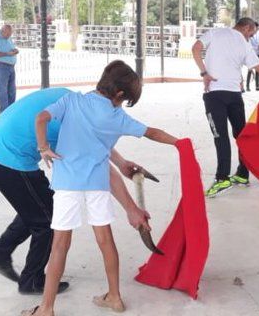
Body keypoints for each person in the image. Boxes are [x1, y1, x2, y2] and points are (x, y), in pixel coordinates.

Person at [25, 61, 179, 316]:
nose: (123, 104)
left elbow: (41, 118)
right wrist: (180, 143)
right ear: (119, 94)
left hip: (67, 183)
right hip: (97, 183)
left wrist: (44, 149)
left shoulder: (72, 101)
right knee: (105, 241)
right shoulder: (117, 116)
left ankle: (46, 308)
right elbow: (151, 132)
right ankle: (115, 298)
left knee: (60, 245)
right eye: (126, 99)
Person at [0, 86, 151, 297]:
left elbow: (94, 143)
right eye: (119, 104)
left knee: (38, 206)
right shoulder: (73, 120)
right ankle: (31, 280)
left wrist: (122, 162)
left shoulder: (72, 100)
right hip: (8, 160)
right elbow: (99, 166)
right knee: (49, 219)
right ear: (116, 95)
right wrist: (131, 208)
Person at [192, 17, 259, 198]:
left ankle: (222, 178)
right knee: (241, 136)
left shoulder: (215, 32)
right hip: (235, 96)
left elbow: (195, 49)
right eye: (252, 33)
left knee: (221, 136)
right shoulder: (243, 44)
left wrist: (204, 73)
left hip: (215, 94)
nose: (251, 37)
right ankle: (243, 173)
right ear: (247, 27)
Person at [0, 24, 19, 112]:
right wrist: (7, 54)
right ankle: (4, 111)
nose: (8, 36)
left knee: (12, 90)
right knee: (2, 90)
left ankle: (10, 110)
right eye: (7, 34)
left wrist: (15, 51)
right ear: (2, 31)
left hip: (11, 67)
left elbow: (11, 48)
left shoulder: (9, 37)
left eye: (10, 34)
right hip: (2, 66)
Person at [245, 26, 259, 91]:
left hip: (258, 54)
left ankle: (257, 86)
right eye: (256, 28)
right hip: (252, 54)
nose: (257, 30)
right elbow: (255, 45)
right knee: (250, 70)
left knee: (258, 70)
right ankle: (247, 86)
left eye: (258, 28)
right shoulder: (250, 35)